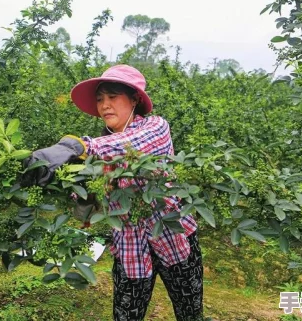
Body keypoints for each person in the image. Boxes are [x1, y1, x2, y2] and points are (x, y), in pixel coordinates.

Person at [24, 65, 203, 321]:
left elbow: (131, 145)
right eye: (100, 99)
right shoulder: (95, 154)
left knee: (190, 313)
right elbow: (87, 200)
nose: (104, 105)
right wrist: (80, 193)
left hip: (174, 237)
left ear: (134, 99)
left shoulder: (155, 127)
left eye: (112, 97)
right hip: (131, 247)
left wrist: (76, 146)